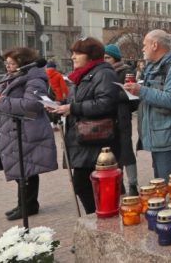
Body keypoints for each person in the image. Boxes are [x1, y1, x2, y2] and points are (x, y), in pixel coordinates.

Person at [49, 37, 119, 214]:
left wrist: (73, 108)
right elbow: (78, 100)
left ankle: (98, 219)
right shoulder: (81, 75)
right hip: (83, 137)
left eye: (78, 53)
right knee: (85, 185)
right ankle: (96, 219)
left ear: (91, 55)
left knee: (86, 185)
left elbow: (106, 103)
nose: (73, 57)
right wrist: (59, 106)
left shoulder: (103, 73)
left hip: (96, 137)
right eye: (72, 53)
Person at [0, 47, 58, 221]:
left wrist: (3, 101)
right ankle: (23, 204)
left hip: (26, 130)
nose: (8, 67)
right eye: (7, 63)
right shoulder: (10, 78)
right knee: (21, 171)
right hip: (13, 130)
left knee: (27, 169)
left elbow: (32, 105)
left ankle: (29, 205)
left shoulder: (35, 79)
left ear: (24, 63)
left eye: (12, 63)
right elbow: (5, 99)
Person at [124, 30, 171, 180]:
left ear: (155, 45)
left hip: (169, 137)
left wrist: (141, 90)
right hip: (160, 136)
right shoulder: (153, 67)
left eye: (144, 45)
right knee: (162, 187)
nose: (143, 49)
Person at [103, 44, 139, 196]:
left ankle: (132, 184)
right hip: (108, 119)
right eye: (103, 58)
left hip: (122, 118)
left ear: (115, 58)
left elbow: (132, 96)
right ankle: (119, 183)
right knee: (112, 153)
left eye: (108, 57)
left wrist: (110, 96)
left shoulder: (126, 71)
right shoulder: (104, 72)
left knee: (126, 152)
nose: (105, 60)